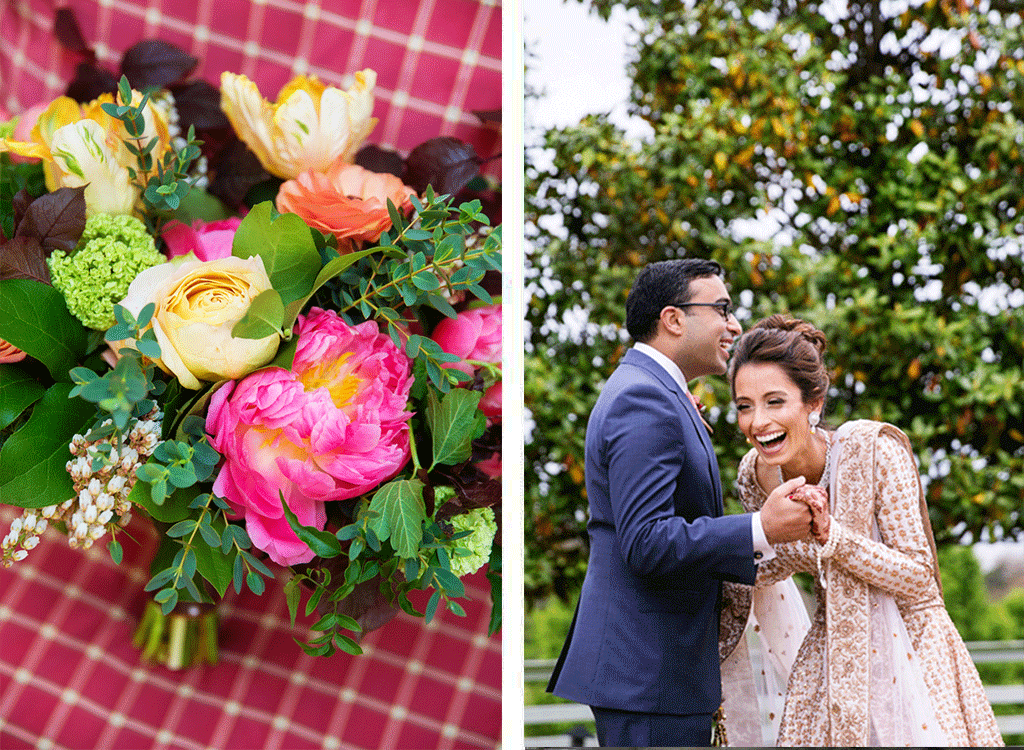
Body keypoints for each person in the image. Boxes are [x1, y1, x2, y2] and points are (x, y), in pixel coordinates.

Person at [546, 259, 815, 747]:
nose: (734, 324)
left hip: (655, 674)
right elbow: (646, 542)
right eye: (722, 308)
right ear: (673, 319)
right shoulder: (644, 400)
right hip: (647, 673)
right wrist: (761, 527)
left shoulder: (656, 392)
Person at [718, 314, 1004, 746]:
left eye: (775, 402)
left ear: (813, 403)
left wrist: (833, 538)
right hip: (831, 655)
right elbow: (765, 567)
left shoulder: (874, 452)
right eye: (744, 405)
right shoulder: (756, 476)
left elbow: (919, 576)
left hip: (913, 650)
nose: (758, 421)